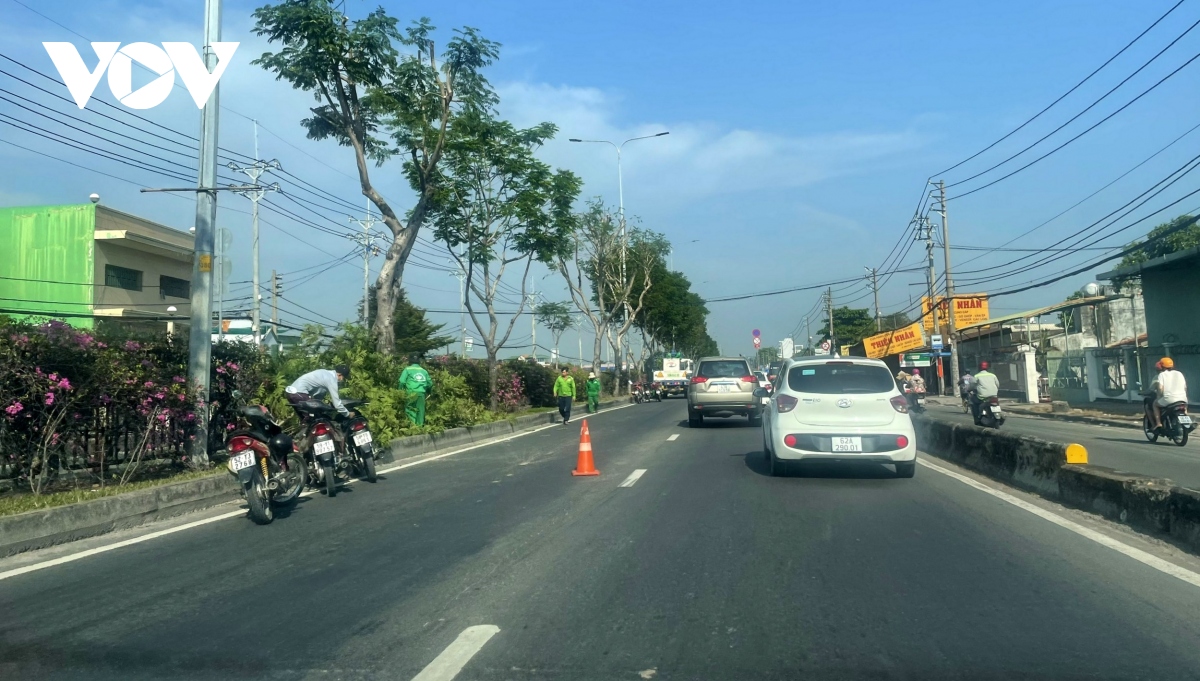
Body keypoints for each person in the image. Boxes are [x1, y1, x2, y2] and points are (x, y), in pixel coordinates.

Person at [285, 365, 351, 416]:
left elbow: (318, 395)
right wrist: (347, 414)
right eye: (344, 378)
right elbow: (337, 404)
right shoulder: (331, 380)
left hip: (291, 393)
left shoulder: (324, 372)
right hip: (299, 393)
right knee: (312, 416)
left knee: (305, 418)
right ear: (339, 375)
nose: (342, 380)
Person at [1147, 357, 1189, 430]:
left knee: (1155, 404)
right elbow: (1185, 387)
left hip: (1168, 399)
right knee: (1183, 407)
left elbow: (1160, 388)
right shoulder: (1179, 373)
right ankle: (1187, 422)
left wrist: (1159, 397)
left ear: (1162, 366)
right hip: (1183, 398)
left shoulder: (1162, 375)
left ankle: (1158, 423)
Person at [398, 355, 433, 426]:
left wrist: (399, 391)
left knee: (410, 411)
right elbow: (430, 384)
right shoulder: (424, 371)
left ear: (410, 362)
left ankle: (412, 428)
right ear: (419, 362)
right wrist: (429, 392)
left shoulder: (407, 369)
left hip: (410, 393)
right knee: (420, 412)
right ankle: (420, 429)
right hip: (421, 394)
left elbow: (402, 382)